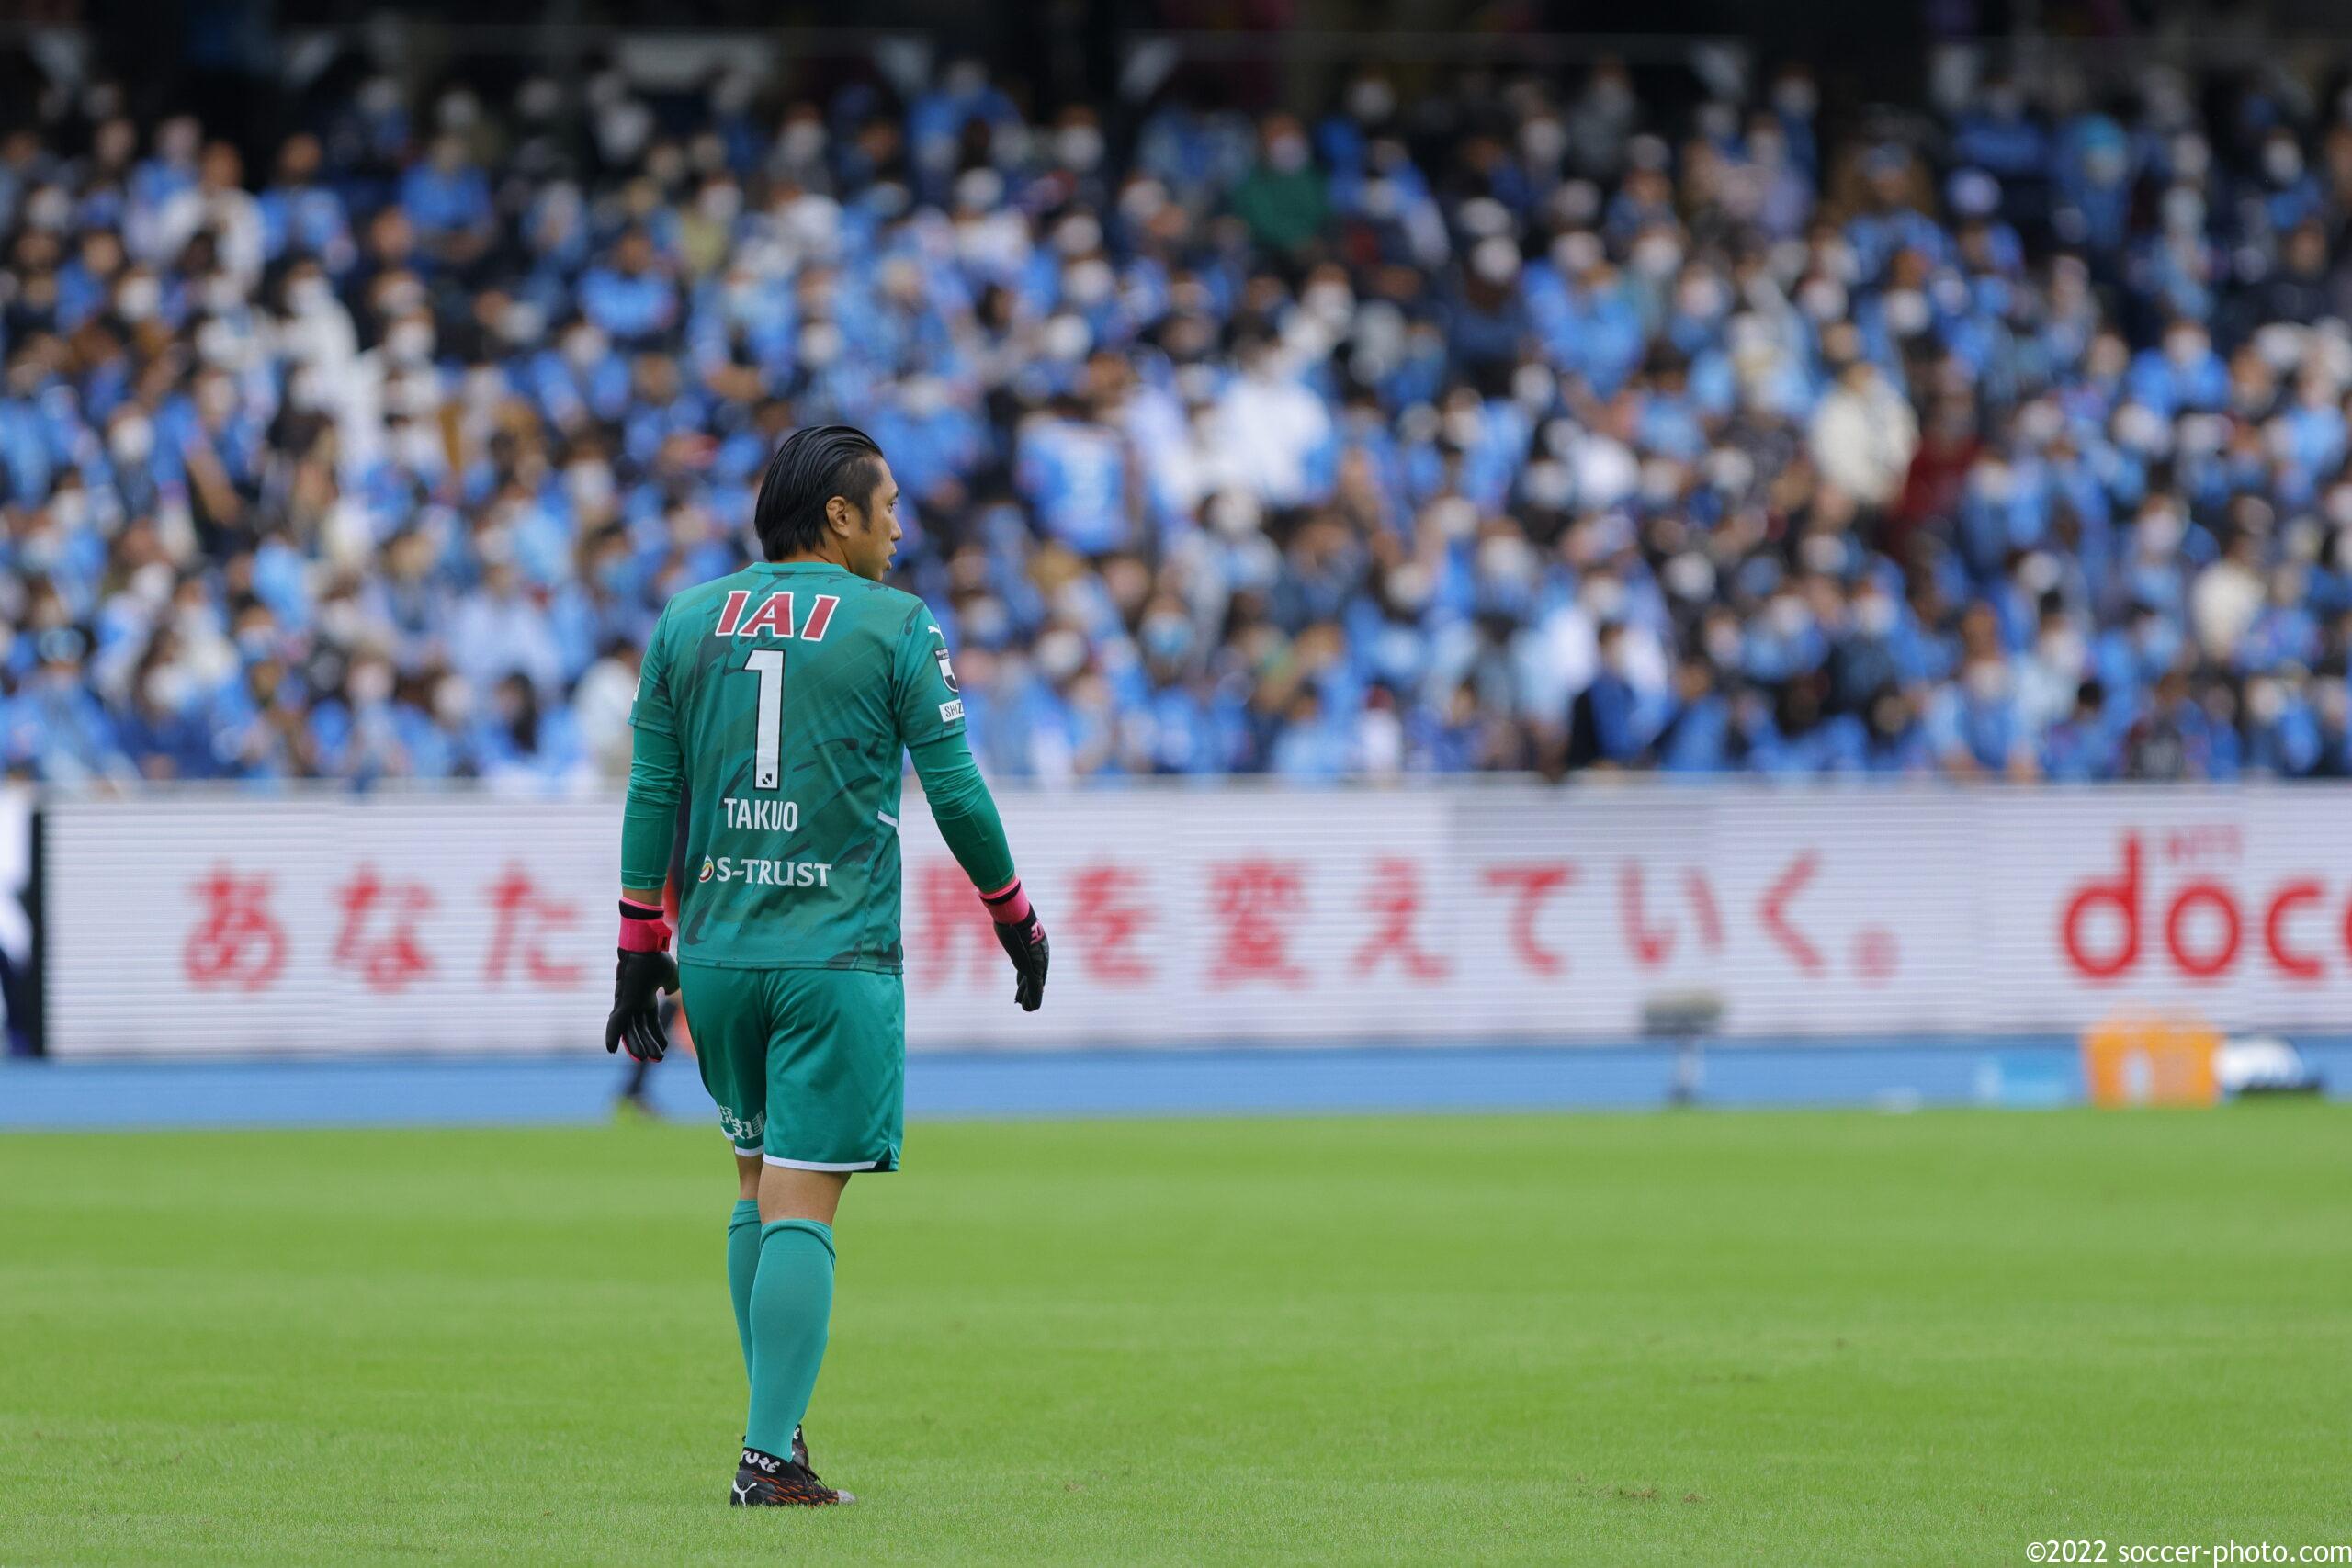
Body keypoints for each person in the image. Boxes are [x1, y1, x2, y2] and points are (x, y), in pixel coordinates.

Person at [603, 425, 1050, 1507]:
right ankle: (766, 1462)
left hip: (714, 955)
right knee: (807, 1201)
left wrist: (635, 947)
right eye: (886, 503)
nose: (901, 524)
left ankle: (779, 1435)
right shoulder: (895, 625)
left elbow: (652, 793)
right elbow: (954, 788)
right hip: (831, 953)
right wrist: (1013, 913)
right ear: (836, 516)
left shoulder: (686, 620)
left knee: (757, 1185)